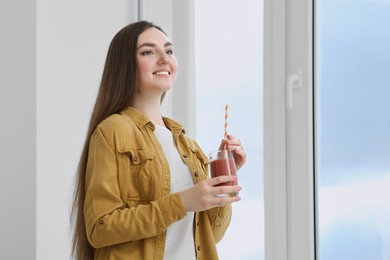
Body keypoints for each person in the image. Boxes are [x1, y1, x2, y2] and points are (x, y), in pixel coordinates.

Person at [70, 20, 246, 260]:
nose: (164, 58)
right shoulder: (112, 130)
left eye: (169, 51)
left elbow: (209, 237)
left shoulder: (190, 148)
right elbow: (99, 228)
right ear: (125, 65)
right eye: (148, 52)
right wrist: (182, 202)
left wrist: (221, 183)